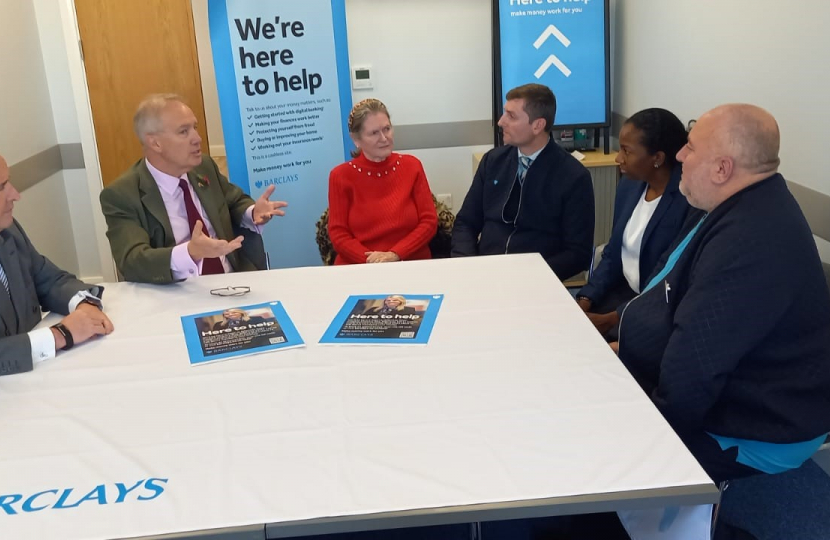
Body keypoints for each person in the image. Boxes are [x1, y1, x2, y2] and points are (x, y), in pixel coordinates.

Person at [614, 104, 830, 484]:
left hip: (758, 422)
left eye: (691, 148)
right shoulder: (728, 205)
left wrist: (648, 437)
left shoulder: (752, 242)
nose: (679, 155)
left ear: (722, 169)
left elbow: (693, 371)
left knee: (601, 451)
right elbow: (666, 290)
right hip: (714, 390)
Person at [100, 94, 288, 284]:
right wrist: (189, 253)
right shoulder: (122, 194)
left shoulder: (204, 166)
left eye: (195, 128)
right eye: (184, 132)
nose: (197, 138)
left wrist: (252, 212)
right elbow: (133, 261)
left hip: (233, 280)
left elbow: (233, 201)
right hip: (176, 292)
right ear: (155, 143)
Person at [451, 84, 594, 280]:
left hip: (537, 279)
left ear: (538, 125)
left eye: (511, 116)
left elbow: (578, 253)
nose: (500, 122)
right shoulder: (493, 161)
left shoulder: (573, 177)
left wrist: (528, 276)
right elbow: (466, 222)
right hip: (484, 272)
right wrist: (468, 265)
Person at [576, 108, 694, 338]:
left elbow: (669, 278)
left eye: (626, 151)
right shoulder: (630, 185)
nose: (619, 158)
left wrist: (613, 318)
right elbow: (613, 252)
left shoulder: (687, 202)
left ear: (657, 158)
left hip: (658, 310)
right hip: (620, 294)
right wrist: (585, 298)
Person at [0, 154, 114, 375]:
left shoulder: (9, 232)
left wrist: (83, 305)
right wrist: (60, 335)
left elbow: (49, 280)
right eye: (1, 187)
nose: (15, 195)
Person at [327, 99, 437, 264]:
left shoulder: (412, 166)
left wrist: (395, 254)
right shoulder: (340, 176)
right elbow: (338, 234)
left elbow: (429, 222)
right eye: (374, 133)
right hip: (359, 266)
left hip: (409, 262)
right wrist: (374, 261)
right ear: (356, 139)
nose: (384, 138)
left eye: (387, 129)